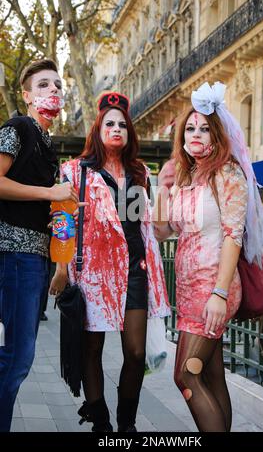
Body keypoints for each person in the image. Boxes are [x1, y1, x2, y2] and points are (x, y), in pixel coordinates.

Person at [49, 92, 170, 432]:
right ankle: (101, 422)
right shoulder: (75, 171)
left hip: (135, 270)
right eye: (109, 123)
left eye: (122, 124)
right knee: (92, 347)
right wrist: (61, 269)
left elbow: (152, 226)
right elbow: (62, 222)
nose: (116, 128)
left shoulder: (141, 172)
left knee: (134, 352)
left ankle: (126, 424)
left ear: (129, 132)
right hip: (93, 273)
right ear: (98, 129)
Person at [153, 81, 263, 432]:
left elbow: (234, 234)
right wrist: (161, 186)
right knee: (211, 375)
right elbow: (162, 231)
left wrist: (219, 294)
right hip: (188, 293)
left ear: (217, 134)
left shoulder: (228, 173)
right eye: (190, 128)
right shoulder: (187, 178)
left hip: (213, 290)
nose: (196, 133)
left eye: (204, 127)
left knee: (186, 375)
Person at [0, 59, 78, 432]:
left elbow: (30, 197)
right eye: (44, 85)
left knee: (18, 359)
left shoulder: (46, 143)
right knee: (17, 358)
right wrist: (48, 192)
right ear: (27, 96)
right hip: (14, 254)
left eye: (58, 85)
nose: (54, 91)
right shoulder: (18, 127)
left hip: (33, 257)